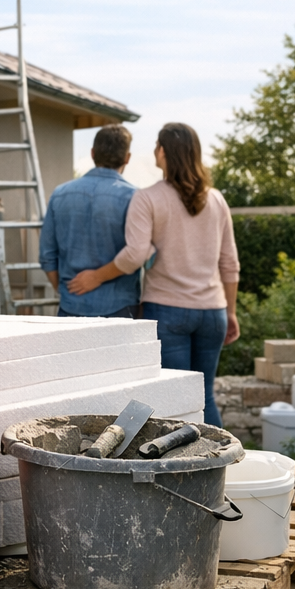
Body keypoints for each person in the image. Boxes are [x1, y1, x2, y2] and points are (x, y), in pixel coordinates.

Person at [67, 122, 240, 427]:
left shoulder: (147, 198)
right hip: (213, 313)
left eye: (156, 146)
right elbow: (230, 263)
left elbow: (134, 255)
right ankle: (219, 468)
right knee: (205, 397)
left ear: (163, 152)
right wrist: (232, 311)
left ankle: (179, 471)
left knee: (175, 400)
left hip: (169, 312)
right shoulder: (216, 200)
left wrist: (96, 276)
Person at [39, 124, 140, 317]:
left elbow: (47, 256)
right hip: (119, 308)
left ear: (93, 153)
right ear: (127, 158)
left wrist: (66, 290)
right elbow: (139, 254)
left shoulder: (59, 194)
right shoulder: (134, 198)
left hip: (70, 306)